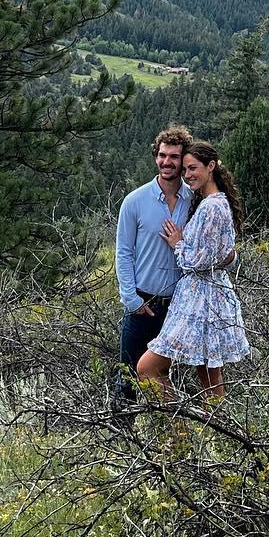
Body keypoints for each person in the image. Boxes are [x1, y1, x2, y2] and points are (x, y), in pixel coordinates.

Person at [137, 139, 249, 402]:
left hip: (200, 301)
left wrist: (178, 244)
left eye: (193, 168)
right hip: (206, 297)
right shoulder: (213, 202)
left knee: (147, 368)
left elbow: (197, 262)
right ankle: (216, 434)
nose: (187, 176)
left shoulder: (211, 206)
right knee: (210, 380)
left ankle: (178, 434)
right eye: (185, 170)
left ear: (211, 166)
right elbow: (222, 254)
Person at [114, 125, 193, 403]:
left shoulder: (194, 201)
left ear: (183, 160)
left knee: (167, 376)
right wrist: (131, 299)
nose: (166, 162)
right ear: (155, 157)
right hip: (141, 304)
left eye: (173, 156)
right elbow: (123, 253)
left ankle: (172, 436)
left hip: (180, 306)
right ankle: (122, 437)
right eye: (162, 155)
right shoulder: (134, 201)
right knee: (127, 380)